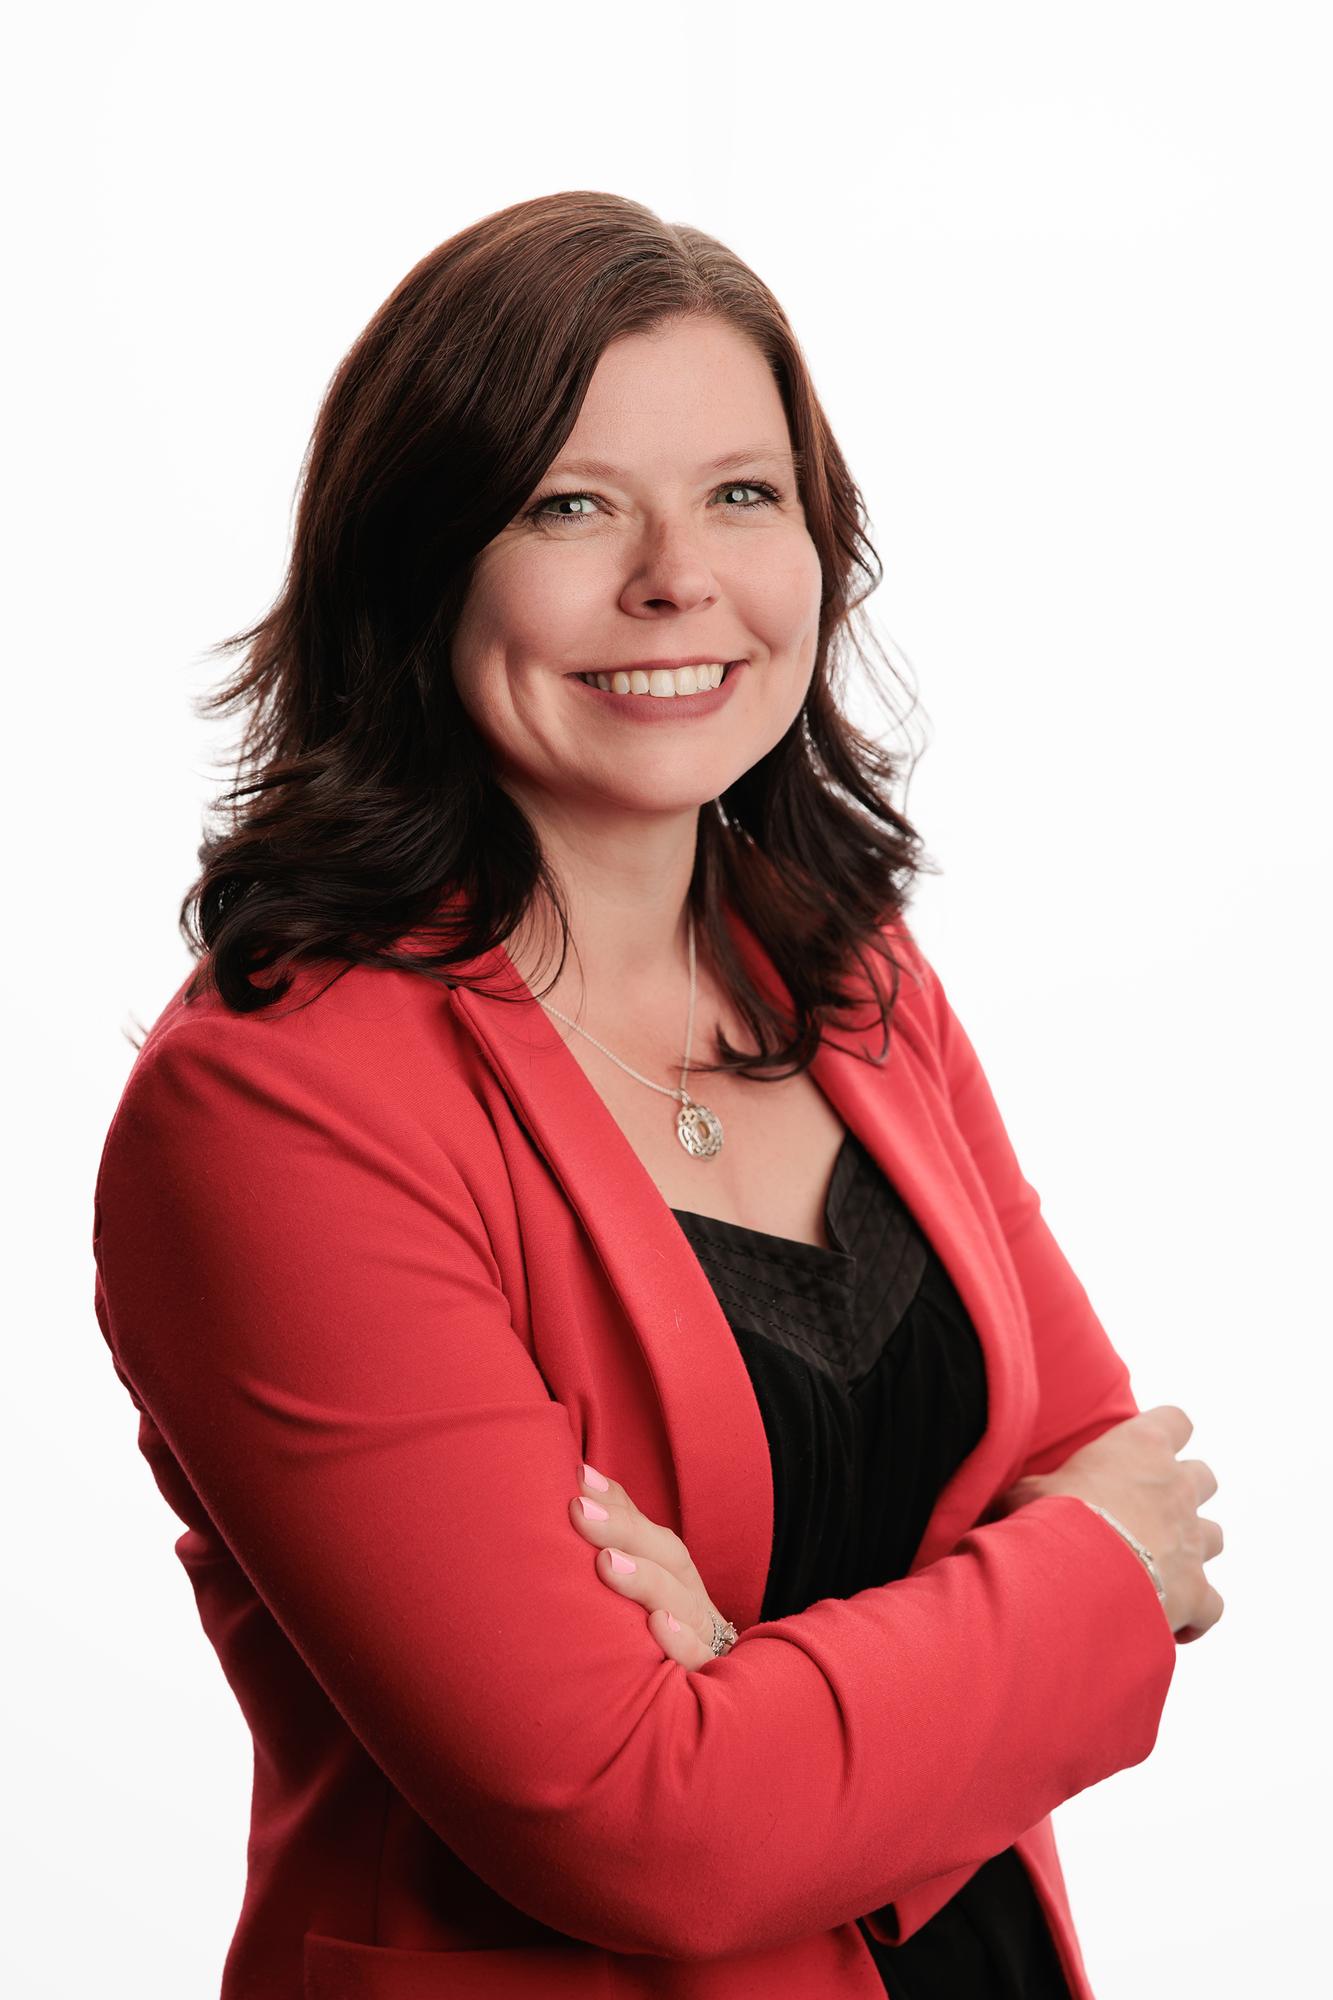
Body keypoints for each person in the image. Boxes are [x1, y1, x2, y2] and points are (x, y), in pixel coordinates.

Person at [91, 189, 1224, 2000]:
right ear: (417, 564)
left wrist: (756, 1689)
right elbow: (643, 1825)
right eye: (566, 505)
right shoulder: (272, 1110)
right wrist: (1026, 1626)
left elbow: (1119, 1490)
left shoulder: (847, 975)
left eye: (741, 494)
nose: (674, 579)